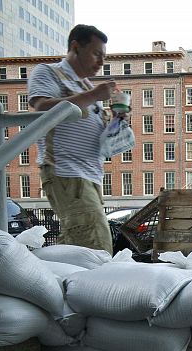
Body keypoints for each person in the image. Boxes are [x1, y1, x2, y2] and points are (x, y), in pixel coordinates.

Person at [27, 24, 122, 254]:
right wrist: (95, 95)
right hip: (66, 172)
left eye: (104, 56)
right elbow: (40, 107)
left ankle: (55, 283)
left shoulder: (86, 86)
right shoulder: (49, 72)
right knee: (96, 245)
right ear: (75, 47)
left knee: (78, 242)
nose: (101, 62)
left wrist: (117, 120)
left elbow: (95, 131)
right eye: (97, 54)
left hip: (90, 175)